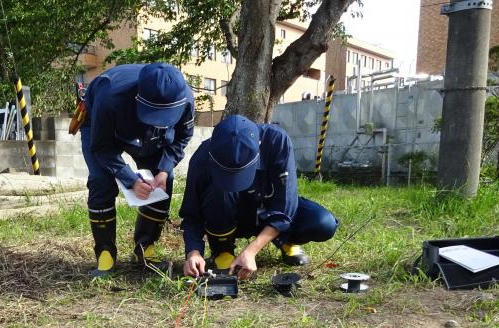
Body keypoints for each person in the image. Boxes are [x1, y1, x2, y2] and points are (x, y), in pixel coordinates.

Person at [180, 114, 339, 280]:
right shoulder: (202, 156)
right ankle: (223, 250)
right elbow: (192, 214)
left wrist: (252, 250)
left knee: (323, 223)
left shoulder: (277, 141)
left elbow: (286, 203)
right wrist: (193, 252)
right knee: (218, 193)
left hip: (268, 210)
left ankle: (286, 240)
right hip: (232, 217)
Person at [80, 63, 195, 277]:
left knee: (164, 180)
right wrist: (130, 180)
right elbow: (101, 147)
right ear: (138, 99)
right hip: (103, 127)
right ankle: (105, 253)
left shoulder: (186, 99)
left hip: (155, 138)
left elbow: (182, 137)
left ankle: (145, 247)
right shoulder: (110, 95)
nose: (157, 119)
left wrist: (163, 168)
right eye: (153, 113)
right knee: (100, 180)